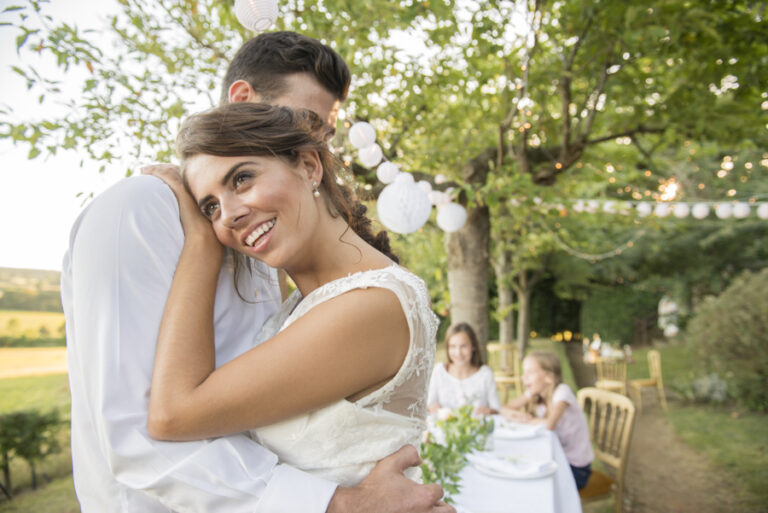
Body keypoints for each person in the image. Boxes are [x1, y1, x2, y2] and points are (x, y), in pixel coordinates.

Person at [62, 31, 451, 513]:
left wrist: (204, 239)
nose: (319, 145)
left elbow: (186, 414)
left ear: (309, 165)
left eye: (323, 135)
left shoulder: (308, 275)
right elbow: (136, 434)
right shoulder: (141, 212)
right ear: (243, 100)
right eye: (306, 121)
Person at [142, 101, 438, 486]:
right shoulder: (306, 303)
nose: (228, 215)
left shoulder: (371, 304)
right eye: (210, 207)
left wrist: (200, 241)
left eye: (241, 179)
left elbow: (171, 415)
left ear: (309, 166)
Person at [500, 351, 594, 489]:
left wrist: (525, 419)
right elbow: (504, 409)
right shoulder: (535, 393)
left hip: (577, 468)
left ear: (549, 377)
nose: (523, 377)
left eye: (530, 372)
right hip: (557, 458)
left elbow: (550, 424)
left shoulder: (562, 392)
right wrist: (519, 416)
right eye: (523, 372)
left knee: (534, 485)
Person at [427, 323, 500, 416]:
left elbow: (497, 410)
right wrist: (434, 408)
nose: (458, 353)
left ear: (473, 346)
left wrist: (489, 411)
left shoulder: (485, 374)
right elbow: (429, 405)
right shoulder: (439, 371)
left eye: (463, 346)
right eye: (453, 346)